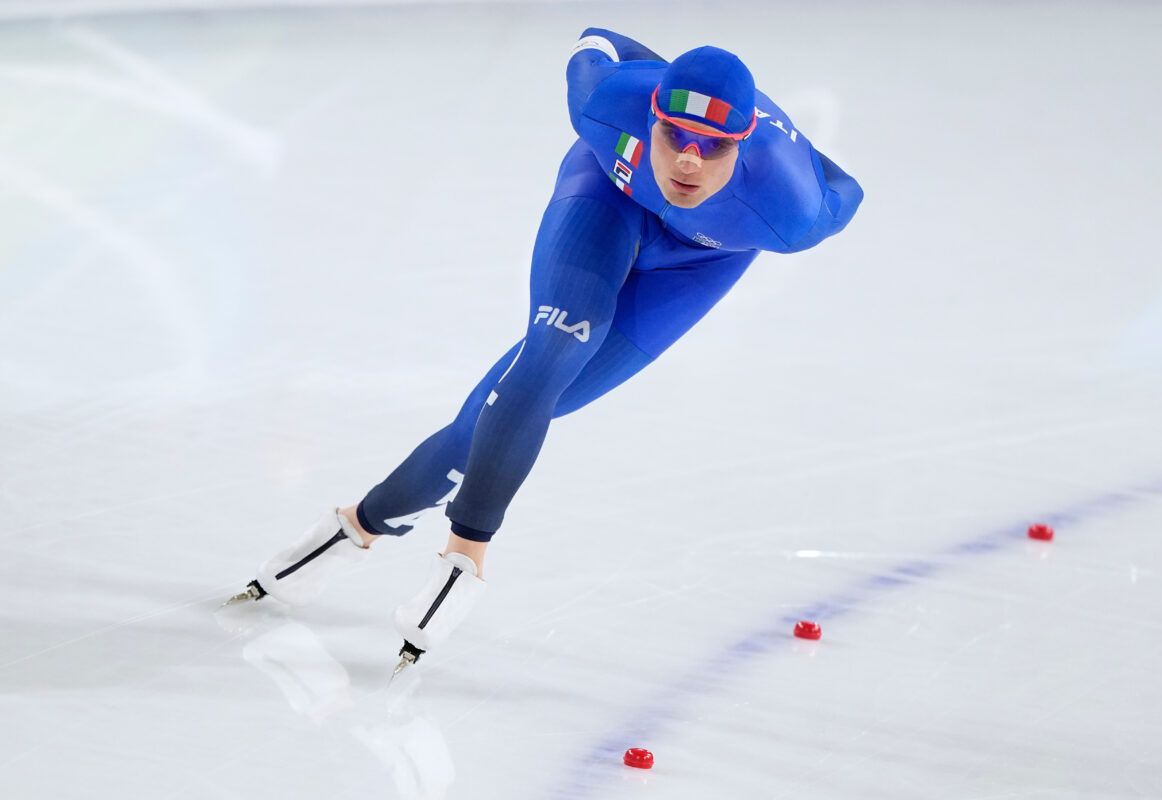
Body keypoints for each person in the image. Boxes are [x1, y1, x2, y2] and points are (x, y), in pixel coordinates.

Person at [228, 28, 863, 674]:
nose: (689, 162)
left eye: (716, 146)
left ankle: (354, 526)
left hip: (695, 267)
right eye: (676, 136)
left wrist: (792, 144)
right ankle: (464, 561)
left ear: (745, 141)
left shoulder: (791, 208)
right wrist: (661, 71)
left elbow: (847, 188)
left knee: (498, 416)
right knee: (553, 350)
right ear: (652, 117)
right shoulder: (606, 100)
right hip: (604, 199)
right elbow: (598, 40)